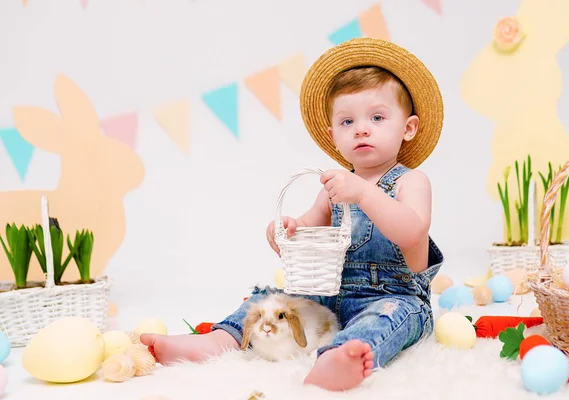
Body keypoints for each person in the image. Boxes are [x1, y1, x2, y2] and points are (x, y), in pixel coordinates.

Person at [140, 37, 445, 392]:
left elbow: (411, 232)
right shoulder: (333, 188)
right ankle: (219, 340)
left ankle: (339, 357)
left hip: (393, 295)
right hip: (330, 293)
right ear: (333, 136)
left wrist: (363, 192)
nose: (361, 128)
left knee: (387, 321)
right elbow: (305, 229)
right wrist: (287, 229)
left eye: (377, 117)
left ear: (407, 128)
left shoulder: (411, 182)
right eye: (348, 122)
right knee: (272, 300)